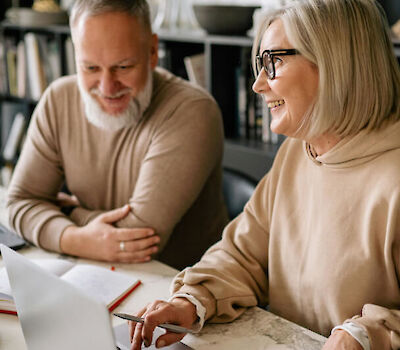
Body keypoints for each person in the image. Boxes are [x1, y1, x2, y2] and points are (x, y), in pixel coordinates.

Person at [129, 0, 400, 349]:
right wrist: (190, 301)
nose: (258, 84)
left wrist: (366, 334)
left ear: (335, 64)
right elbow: (243, 255)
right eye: (261, 63)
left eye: (274, 62)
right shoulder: (295, 152)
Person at [6, 0, 228, 270]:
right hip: (93, 271)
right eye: (90, 68)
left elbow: (141, 238)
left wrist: (65, 211)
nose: (107, 87)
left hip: (179, 289)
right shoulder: (58, 99)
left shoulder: (192, 111)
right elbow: (19, 203)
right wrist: (76, 239)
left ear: (153, 52)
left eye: (123, 67)